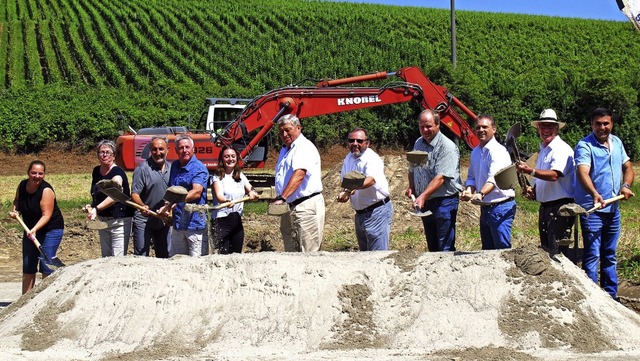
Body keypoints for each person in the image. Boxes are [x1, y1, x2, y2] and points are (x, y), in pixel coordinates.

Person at [574, 107, 634, 299]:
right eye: (598, 124)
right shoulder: (585, 146)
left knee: (610, 254)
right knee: (592, 255)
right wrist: (594, 193)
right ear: (592, 124)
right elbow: (582, 172)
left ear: (611, 124)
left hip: (613, 210)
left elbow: (628, 167)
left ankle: (611, 297)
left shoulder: (617, 143)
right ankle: (594, 300)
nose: (602, 127)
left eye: (606, 123)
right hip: (593, 210)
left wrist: (625, 185)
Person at [516, 109, 575, 258]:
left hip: (560, 208)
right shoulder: (544, 150)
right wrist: (534, 191)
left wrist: (530, 171)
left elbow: (555, 175)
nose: (545, 130)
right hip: (547, 207)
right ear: (538, 129)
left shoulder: (560, 149)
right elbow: (542, 178)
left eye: (549, 126)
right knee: (547, 250)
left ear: (556, 128)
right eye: (542, 126)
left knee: (557, 253)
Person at [406, 109, 463, 252]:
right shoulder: (419, 143)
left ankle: (446, 273)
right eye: (421, 126)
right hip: (427, 202)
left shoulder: (447, 147)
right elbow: (413, 167)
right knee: (433, 247)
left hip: (444, 202)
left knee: (445, 248)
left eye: (428, 126)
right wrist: (412, 187)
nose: (425, 130)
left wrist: (423, 196)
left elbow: (440, 178)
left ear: (438, 125)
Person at [461, 114, 516, 250]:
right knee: (488, 251)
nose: (481, 130)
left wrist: (480, 193)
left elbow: (494, 179)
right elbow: (472, 177)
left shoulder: (499, 152)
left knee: (502, 251)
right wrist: (468, 190)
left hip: (500, 206)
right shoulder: (475, 152)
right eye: (478, 127)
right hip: (486, 207)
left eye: (485, 127)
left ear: (494, 129)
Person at [271, 114, 325, 252]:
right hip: (290, 206)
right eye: (281, 131)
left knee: (308, 253)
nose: (284, 134)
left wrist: (282, 197)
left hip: (305, 206)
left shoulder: (303, 147)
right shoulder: (286, 149)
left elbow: (299, 174)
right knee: (291, 252)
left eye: (288, 129)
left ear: (298, 128)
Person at [9, 160, 64, 294]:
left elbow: (46, 215)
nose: (37, 176)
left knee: (47, 267)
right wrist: (15, 211)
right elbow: (17, 201)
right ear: (28, 173)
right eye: (34, 173)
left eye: (40, 173)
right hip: (30, 230)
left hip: (50, 230)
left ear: (44, 174)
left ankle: (46, 300)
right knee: (28, 266)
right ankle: (25, 301)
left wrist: (34, 229)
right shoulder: (22, 185)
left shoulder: (46, 190)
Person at [336, 128, 392, 251]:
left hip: (377, 212)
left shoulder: (372, 158)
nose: (355, 143)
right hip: (360, 215)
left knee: (377, 256)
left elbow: (370, 180)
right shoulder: (348, 158)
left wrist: (349, 190)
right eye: (351, 140)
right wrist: (345, 193)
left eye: (359, 141)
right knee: (365, 256)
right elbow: (347, 181)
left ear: (367, 143)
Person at [85, 140, 133, 257]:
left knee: (117, 258)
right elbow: (96, 193)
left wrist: (96, 209)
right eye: (102, 152)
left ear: (114, 155)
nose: (105, 155)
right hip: (103, 220)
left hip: (119, 221)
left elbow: (114, 196)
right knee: (105, 257)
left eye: (108, 152)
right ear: (97, 154)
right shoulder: (96, 171)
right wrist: (91, 206)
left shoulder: (117, 173)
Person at [210, 145, 260, 254]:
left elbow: (251, 189)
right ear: (222, 159)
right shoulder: (217, 176)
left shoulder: (240, 176)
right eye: (226, 156)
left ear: (236, 158)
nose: (230, 159)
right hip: (221, 221)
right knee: (222, 255)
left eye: (233, 156)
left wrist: (252, 193)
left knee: (236, 256)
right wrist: (226, 201)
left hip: (236, 220)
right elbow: (219, 195)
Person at [167, 134, 209, 257]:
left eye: (187, 147)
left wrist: (176, 201)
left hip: (195, 225)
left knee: (196, 263)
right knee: (176, 261)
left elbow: (196, 192)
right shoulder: (174, 166)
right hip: (178, 224)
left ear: (193, 149)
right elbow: (172, 189)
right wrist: (168, 208)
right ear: (176, 150)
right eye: (181, 148)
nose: (184, 150)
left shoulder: (199, 168)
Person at [130, 136, 172, 258]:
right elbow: (135, 194)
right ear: (150, 150)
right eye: (154, 149)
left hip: (162, 220)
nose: (158, 153)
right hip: (144, 219)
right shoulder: (142, 169)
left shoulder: (172, 168)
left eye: (161, 149)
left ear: (167, 149)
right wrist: (142, 206)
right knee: (141, 256)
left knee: (164, 256)